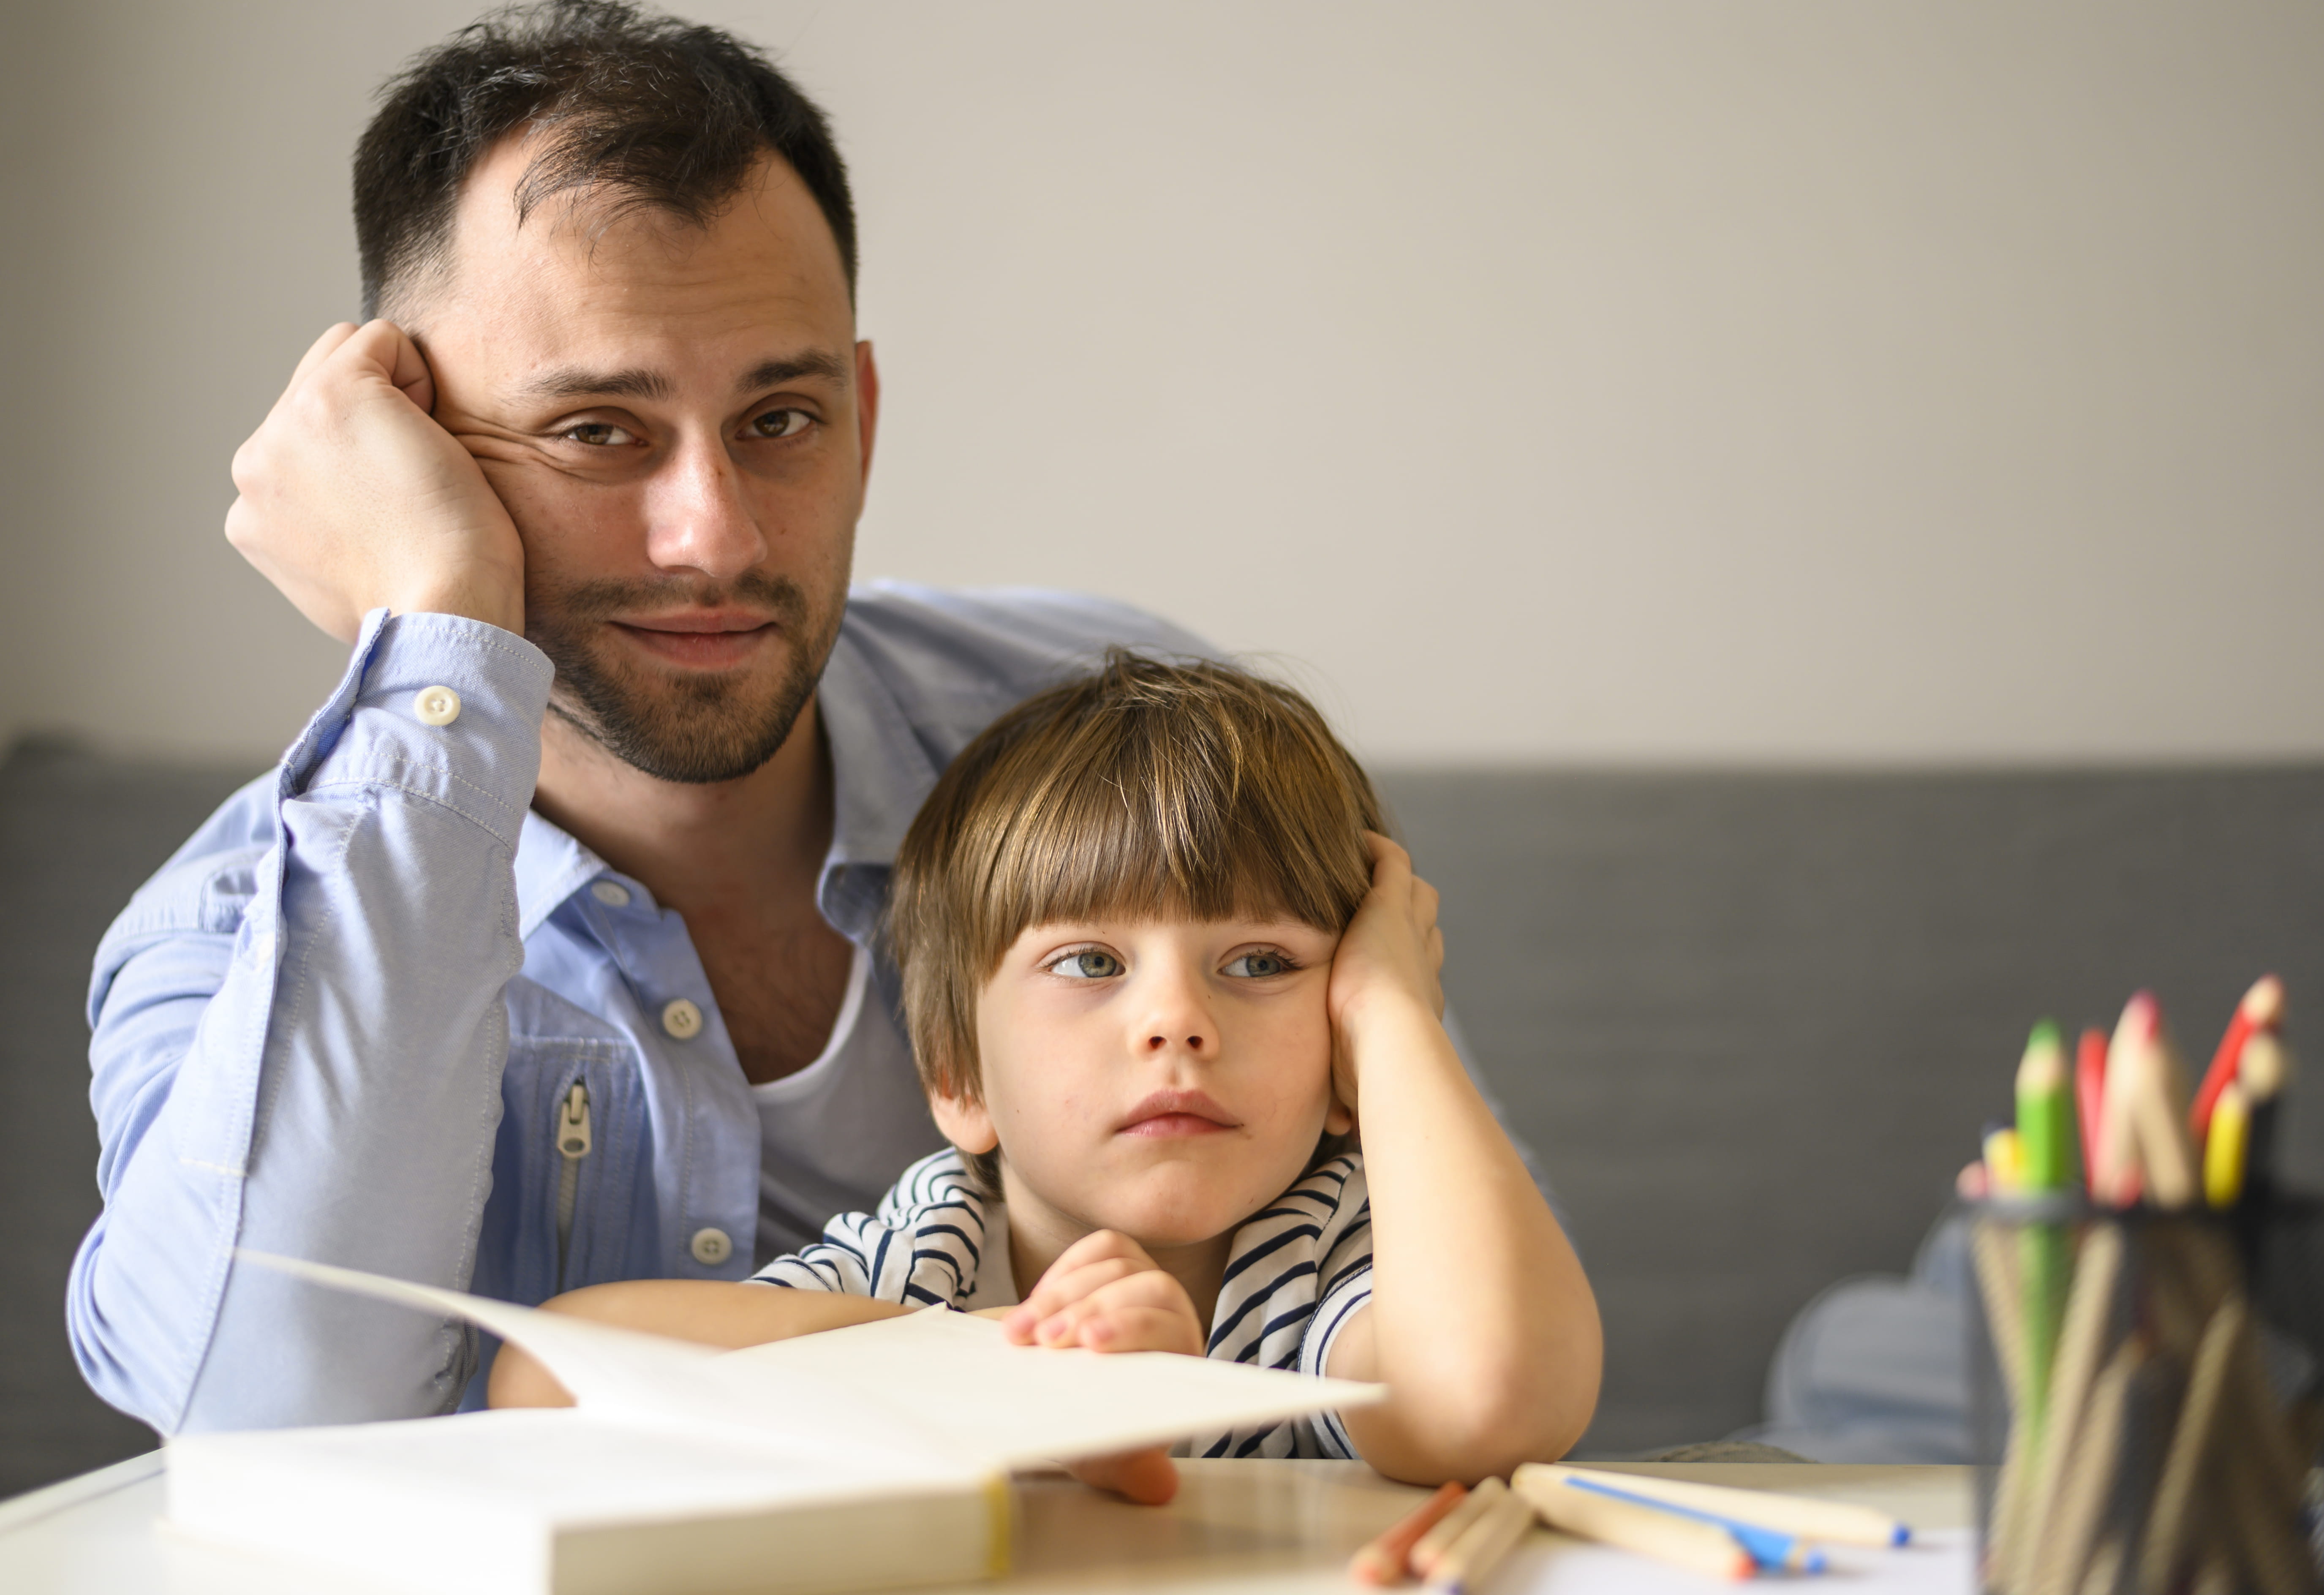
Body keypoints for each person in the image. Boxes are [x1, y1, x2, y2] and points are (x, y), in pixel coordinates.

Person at [71, 1, 1543, 1437]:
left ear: (862, 416)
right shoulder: (230, 937)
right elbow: (257, 1414)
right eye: (597, 432)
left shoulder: (1114, 748)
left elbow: (1441, 1288)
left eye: (779, 419)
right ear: (420, 446)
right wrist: (434, 639)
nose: (711, 536)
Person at [488, 654, 1603, 1498]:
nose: (1176, 1021)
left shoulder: (1332, 1257)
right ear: (958, 1076)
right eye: (1089, 964)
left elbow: (1491, 1403)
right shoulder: (937, 1255)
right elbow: (547, 1380)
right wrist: (1007, 1366)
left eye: (1260, 963)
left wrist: (1393, 1014)